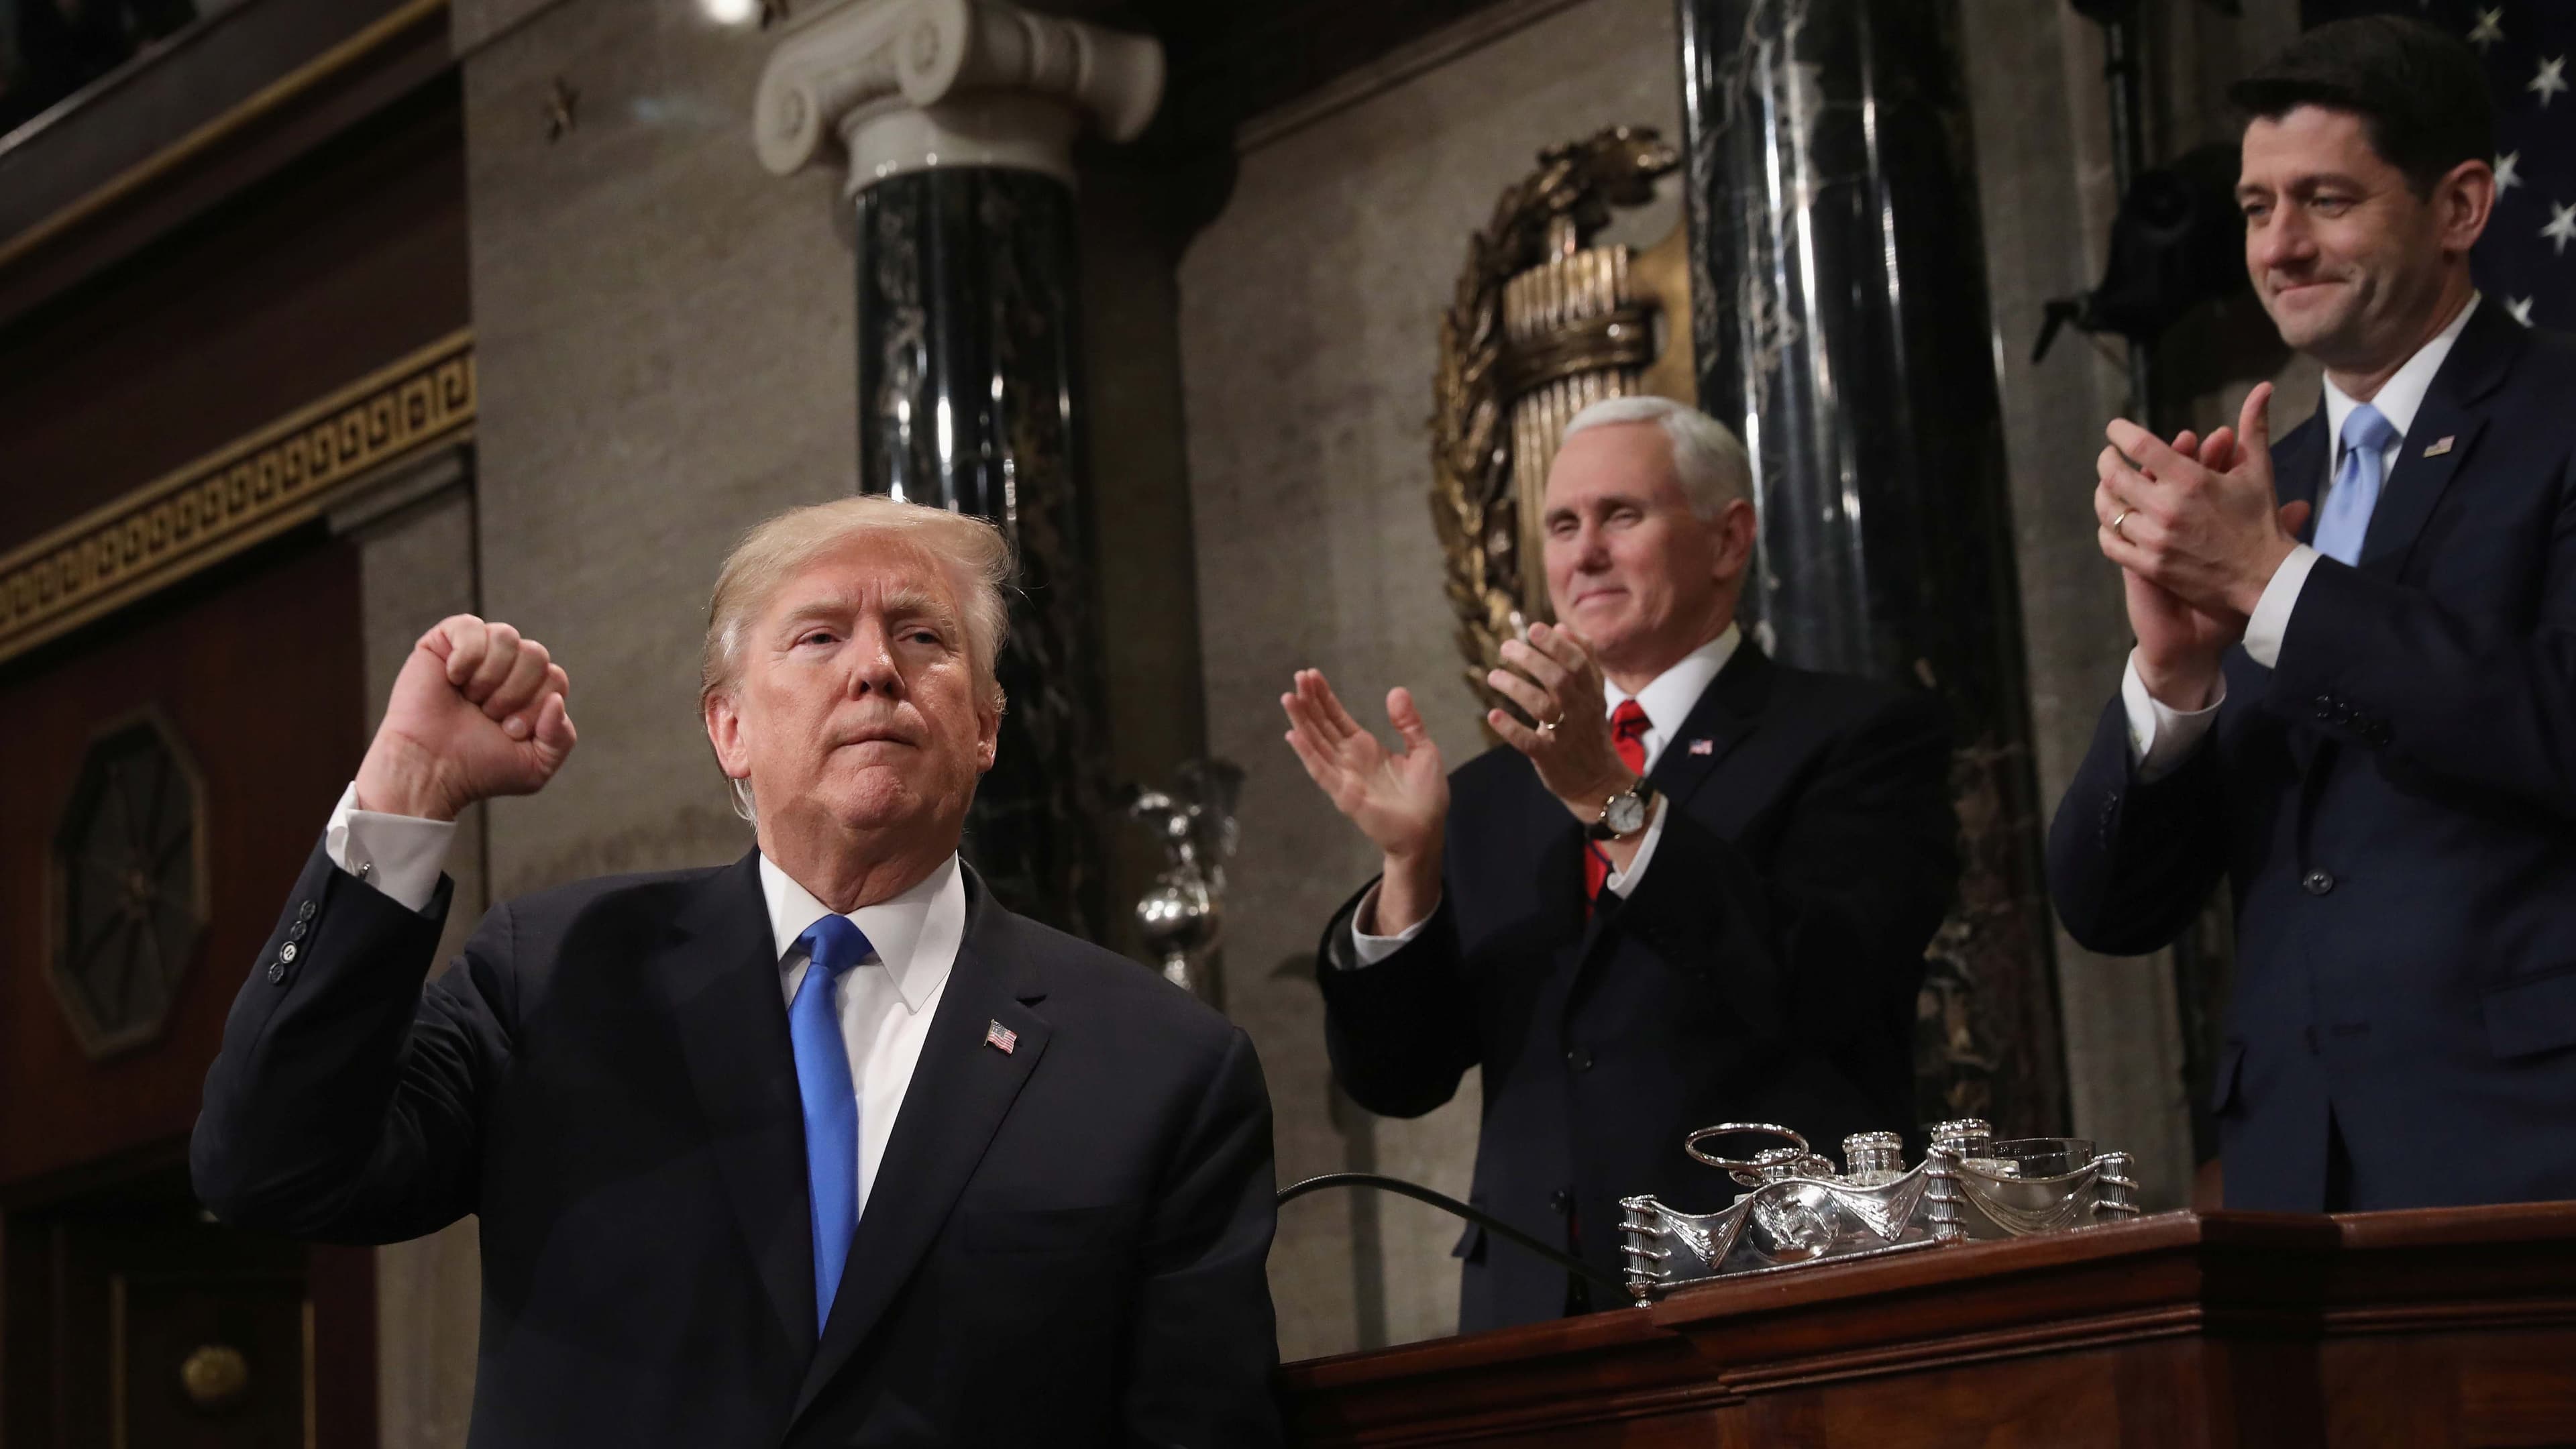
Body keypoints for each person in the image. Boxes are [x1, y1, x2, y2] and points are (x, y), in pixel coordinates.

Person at [192, 496, 1283, 1445]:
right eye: (818, 637)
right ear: (728, 730)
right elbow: (268, 1167)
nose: (875, 669)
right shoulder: (559, 976)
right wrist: (410, 784)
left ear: (988, 728)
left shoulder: (1157, 1068)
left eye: (922, 638)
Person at [1283, 396, 1957, 1332]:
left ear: (1729, 540)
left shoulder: (1858, 737)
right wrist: (1409, 868)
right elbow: (1399, 1080)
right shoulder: (1486, 794)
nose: (1583, 553)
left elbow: (1826, 984)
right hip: (1536, 1322)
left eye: (1621, 516)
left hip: (1777, 1299)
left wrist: (1613, 798)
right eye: (1563, 525)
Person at [2050, 16, 2576, 1212]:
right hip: (2295, 1183)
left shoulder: (2558, 416)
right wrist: (2173, 684)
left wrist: (2273, 589)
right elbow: (2110, 909)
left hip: (2533, 1159)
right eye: (2254, 208)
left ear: (2460, 208)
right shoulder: (2259, 485)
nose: (2280, 247)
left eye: (2325, 201)